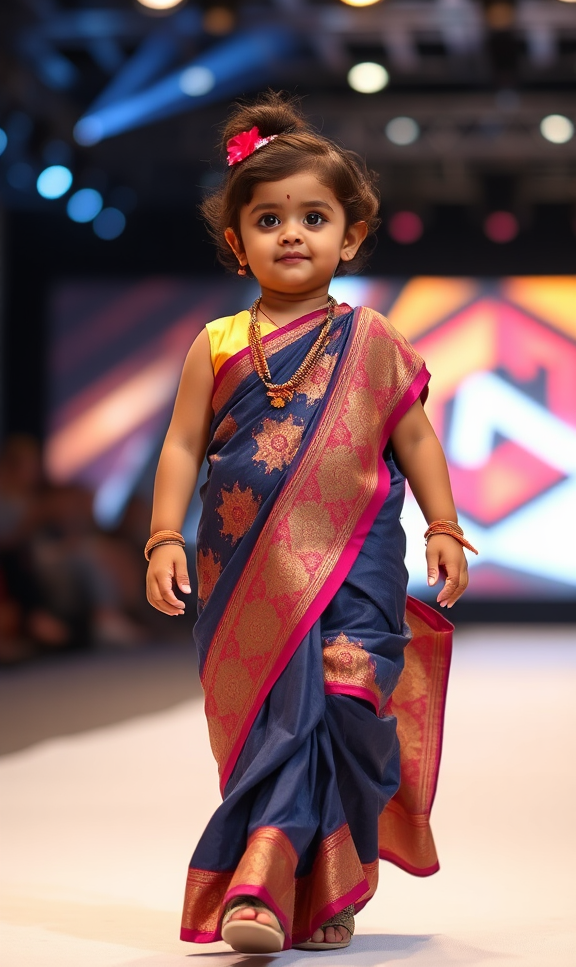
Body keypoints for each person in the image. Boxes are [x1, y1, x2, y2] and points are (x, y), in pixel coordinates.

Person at [145, 92, 477, 954]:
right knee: (280, 717)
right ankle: (262, 880)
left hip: (358, 561)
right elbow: (182, 447)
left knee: (351, 706)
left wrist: (443, 524)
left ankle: (327, 875)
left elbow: (415, 439)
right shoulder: (216, 343)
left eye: (314, 216)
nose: (292, 233)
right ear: (237, 241)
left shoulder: (373, 339)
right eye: (269, 219)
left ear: (351, 237)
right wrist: (162, 536)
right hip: (244, 565)